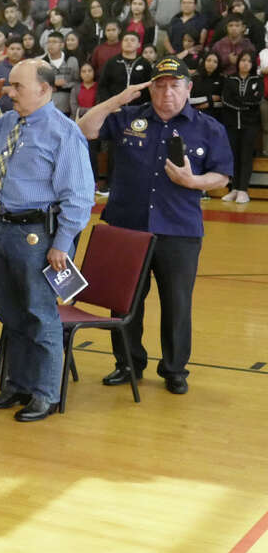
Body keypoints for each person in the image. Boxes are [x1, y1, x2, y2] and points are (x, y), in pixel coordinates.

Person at [78, 57, 234, 394]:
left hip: (179, 230)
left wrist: (193, 181)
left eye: (174, 85)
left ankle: (175, 369)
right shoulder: (128, 118)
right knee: (124, 302)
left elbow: (222, 176)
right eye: (159, 85)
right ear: (149, 89)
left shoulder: (209, 128)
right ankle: (127, 363)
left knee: (177, 303)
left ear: (188, 89)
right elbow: (85, 130)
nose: (166, 93)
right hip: (126, 227)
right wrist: (116, 100)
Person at [0, 60, 94, 421]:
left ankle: (45, 393)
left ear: (45, 89)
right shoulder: (6, 122)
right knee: (11, 314)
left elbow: (80, 196)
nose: (11, 93)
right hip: (3, 228)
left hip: (39, 234)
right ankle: (16, 385)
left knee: (40, 314)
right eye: (10, 86)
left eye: (18, 87)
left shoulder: (63, 133)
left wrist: (62, 243)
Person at [221, 49, 262, 204]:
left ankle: (243, 190)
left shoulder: (256, 80)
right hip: (232, 124)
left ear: (252, 64)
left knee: (246, 157)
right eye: (243, 60)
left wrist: (240, 102)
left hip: (250, 125)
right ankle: (234, 189)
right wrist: (244, 103)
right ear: (238, 62)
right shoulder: (230, 79)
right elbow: (226, 99)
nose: (245, 63)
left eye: (248, 61)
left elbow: (256, 100)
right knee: (234, 156)